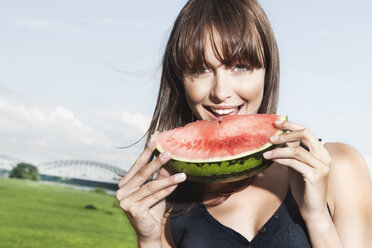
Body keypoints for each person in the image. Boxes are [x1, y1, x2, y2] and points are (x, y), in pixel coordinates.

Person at [115, 0, 372, 247]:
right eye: (201, 69)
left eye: (240, 66)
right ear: (180, 79)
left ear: (267, 71)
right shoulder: (169, 195)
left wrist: (317, 218)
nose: (220, 91)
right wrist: (148, 240)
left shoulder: (340, 166)